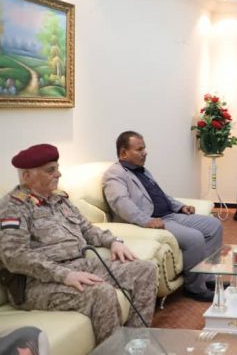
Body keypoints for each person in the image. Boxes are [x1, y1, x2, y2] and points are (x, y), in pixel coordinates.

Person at [0, 144, 157, 344]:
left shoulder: (60, 199)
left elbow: (87, 228)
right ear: (27, 176)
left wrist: (113, 242)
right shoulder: (13, 207)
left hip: (79, 265)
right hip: (36, 283)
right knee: (102, 293)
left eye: (57, 168)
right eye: (50, 170)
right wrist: (64, 275)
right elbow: (14, 256)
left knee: (145, 269)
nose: (58, 174)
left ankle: (137, 345)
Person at [103, 131, 223, 302]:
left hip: (170, 215)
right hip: (153, 221)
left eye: (144, 148)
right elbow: (121, 203)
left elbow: (161, 195)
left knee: (214, 225)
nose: (145, 152)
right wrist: (146, 221)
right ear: (123, 153)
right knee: (194, 237)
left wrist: (180, 206)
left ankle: (207, 277)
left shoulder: (143, 171)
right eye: (139, 149)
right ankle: (195, 288)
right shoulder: (115, 174)